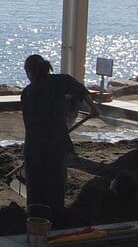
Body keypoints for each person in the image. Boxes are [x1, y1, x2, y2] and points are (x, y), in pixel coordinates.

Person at [20, 54, 100, 222]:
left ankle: (36, 216)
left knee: (36, 184)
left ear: (29, 72)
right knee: (55, 181)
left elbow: (31, 123)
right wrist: (93, 108)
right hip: (57, 142)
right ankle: (55, 214)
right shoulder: (59, 81)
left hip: (35, 145)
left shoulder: (28, 92)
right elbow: (81, 89)